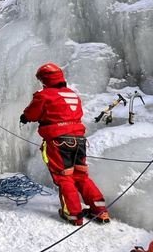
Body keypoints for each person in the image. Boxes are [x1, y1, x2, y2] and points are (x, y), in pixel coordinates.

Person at [20, 63, 110, 226]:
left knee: (64, 177)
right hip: (79, 140)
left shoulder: (44, 95)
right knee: (81, 175)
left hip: (58, 141)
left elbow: (32, 113)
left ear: (45, 80)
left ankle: (73, 214)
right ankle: (100, 210)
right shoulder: (73, 95)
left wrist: (25, 117)